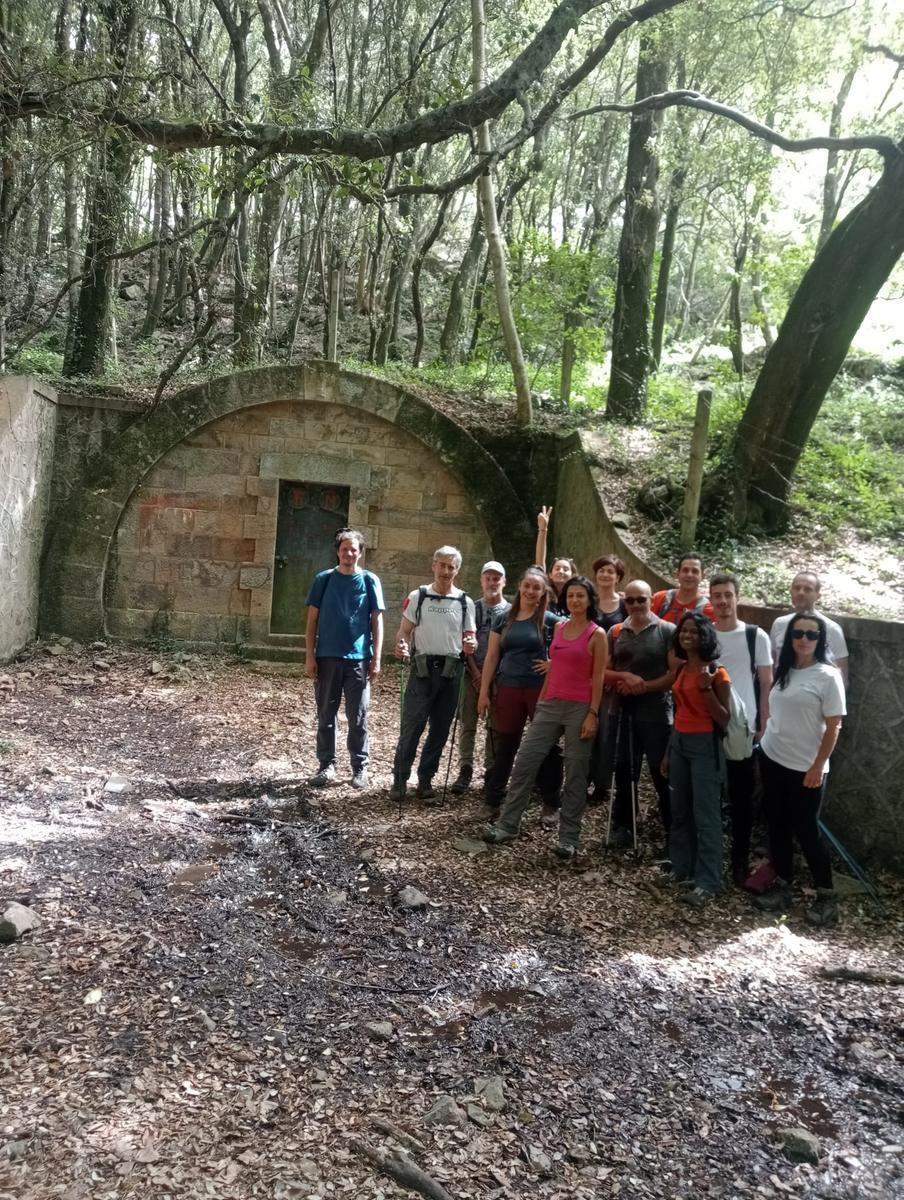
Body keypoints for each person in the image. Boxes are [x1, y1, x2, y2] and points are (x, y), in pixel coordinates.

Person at [483, 577, 607, 860]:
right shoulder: (560, 628)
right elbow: (554, 668)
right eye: (571, 596)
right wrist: (542, 700)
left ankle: (569, 838)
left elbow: (598, 677)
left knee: (575, 774)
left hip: (580, 707)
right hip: (550, 703)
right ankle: (507, 825)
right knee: (525, 761)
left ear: (589, 600)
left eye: (581, 596)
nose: (575, 600)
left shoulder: (596, 634)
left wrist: (593, 713)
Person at [753, 613, 846, 927]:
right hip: (773, 759)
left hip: (806, 768)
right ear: (790, 637)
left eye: (812, 635)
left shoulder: (828, 676)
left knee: (807, 831)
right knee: (777, 825)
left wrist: (818, 766)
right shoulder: (785, 670)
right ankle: (783, 886)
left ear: (820, 641)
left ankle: (826, 897)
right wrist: (765, 737)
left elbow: (834, 725)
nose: (804, 640)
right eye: (798, 634)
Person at [392, 546, 477, 803]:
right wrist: (402, 645)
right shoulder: (419, 596)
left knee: (440, 730)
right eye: (441, 565)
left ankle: (426, 780)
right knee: (411, 727)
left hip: (452, 672)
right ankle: (399, 779)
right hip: (422, 670)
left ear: (457, 570)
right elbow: (403, 631)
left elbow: (470, 637)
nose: (445, 571)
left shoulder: (465, 602)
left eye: (451, 567)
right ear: (433, 566)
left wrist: (472, 645)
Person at [477, 567, 562, 822]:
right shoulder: (503, 617)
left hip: (539, 689)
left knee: (546, 745)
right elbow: (492, 656)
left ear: (543, 592)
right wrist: (484, 693)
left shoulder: (550, 620)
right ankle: (493, 800)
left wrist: (553, 663)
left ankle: (551, 803)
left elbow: (566, 650)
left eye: (536, 587)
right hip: (509, 687)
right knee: (506, 744)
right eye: (527, 585)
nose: (530, 591)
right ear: (519, 586)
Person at [660, 612, 731, 907]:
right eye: (684, 631)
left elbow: (724, 720)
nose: (688, 635)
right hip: (680, 744)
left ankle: (708, 880)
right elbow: (678, 714)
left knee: (706, 815)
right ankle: (680, 865)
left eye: (694, 631)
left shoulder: (717, 674)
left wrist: (706, 688)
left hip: (705, 747)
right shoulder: (680, 670)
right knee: (680, 811)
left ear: (705, 637)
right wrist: (668, 752)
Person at [305, 528, 385, 789]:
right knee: (326, 715)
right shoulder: (324, 579)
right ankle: (326, 765)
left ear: (360, 553)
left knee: (358, 716)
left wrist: (377, 658)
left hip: (359, 659)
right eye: (344, 549)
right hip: (327, 657)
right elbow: (312, 620)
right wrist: (309, 656)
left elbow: (377, 620)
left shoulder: (370, 580)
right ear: (337, 551)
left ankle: (359, 767)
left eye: (354, 549)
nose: (349, 553)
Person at [710, 572, 773, 885]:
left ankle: (738, 860)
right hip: (707, 724)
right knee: (708, 793)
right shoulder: (705, 635)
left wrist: (764, 722)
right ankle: (707, 858)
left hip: (743, 726)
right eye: (717, 595)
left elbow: (766, 682)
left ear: (737, 598)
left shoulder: (755, 636)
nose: (723, 601)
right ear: (711, 599)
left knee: (741, 796)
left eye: (728, 595)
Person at [604, 581, 676, 852]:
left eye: (641, 600)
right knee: (624, 770)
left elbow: (674, 674)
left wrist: (644, 686)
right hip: (621, 710)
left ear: (650, 601)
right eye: (630, 600)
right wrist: (624, 677)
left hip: (656, 713)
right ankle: (623, 825)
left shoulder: (667, 631)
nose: (635, 605)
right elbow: (603, 672)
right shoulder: (616, 631)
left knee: (661, 773)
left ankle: (672, 831)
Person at [450, 562, 510, 794]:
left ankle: (491, 770)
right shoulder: (470, 608)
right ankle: (465, 768)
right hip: (471, 673)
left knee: (494, 725)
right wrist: (475, 672)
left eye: (497, 578)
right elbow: (463, 643)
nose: (492, 583)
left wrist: (491, 676)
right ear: (482, 580)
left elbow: (507, 648)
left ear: (503, 582)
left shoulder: (510, 611)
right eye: (488, 578)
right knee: (468, 723)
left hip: (498, 677)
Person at [770, 572, 849, 688]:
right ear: (791, 591)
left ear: (818, 595)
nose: (801, 592)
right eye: (797, 588)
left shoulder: (832, 629)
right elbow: (772, 665)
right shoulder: (779, 624)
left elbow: (842, 677)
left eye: (807, 589)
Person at [534, 505, 577, 615]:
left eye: (566, 569)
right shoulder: (545, 593)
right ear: (550, 575)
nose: (561, 571)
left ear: (573, 575)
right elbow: (540, 562)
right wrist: (543, 530)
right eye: (557, 568)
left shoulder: (578, 595)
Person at [651, 553, 714, 624]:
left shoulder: (708, 610)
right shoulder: (659, 599)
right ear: (677, 574)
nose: (689, 575)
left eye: (695, 571)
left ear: (702, 576)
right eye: (685, 570)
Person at [592, 554, 627, 632]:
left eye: (610, 572)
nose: (605, 574)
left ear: (617, 578)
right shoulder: (588, 601)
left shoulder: (625, 604)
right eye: (601, 571)